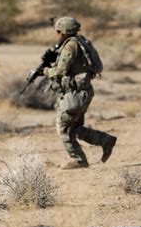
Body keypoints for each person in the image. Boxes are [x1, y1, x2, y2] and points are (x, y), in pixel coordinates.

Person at [38, 16, 117, 169]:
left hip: (76, 95)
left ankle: (78, 159)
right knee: (74, 128)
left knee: (63, 127)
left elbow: (61, 70)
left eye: (58, 31)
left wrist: (45, 71)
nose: (57, 34)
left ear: (64, 32)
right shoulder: (80, 41)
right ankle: (105, 140)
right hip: (80, 93)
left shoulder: (70, 45)